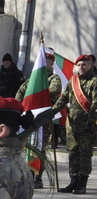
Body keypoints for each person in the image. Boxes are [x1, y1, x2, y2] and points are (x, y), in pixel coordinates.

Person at [52, 54, 97, 194]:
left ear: (91, 65)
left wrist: (91, 122)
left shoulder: (94, 82)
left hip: (87, 125)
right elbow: (63, 99)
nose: (81, 67)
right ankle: (73, 181)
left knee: (84, 153)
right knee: (72, 152)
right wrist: (51, 112)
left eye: (84, 65)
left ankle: (82, 183)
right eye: (79, 65)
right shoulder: (73, 80)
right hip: (71, 124)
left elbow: (95, 104)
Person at [16, 52, 61, 190]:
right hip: (28, 117)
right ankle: (27, 174)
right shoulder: (33, 79)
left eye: (47, 61)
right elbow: (20, 91)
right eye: (42, 60)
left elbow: (55, 90)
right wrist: (18, 107)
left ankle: (38, 177)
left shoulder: (53, 78)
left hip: (43, 118)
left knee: (39, 147)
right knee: (27, 146)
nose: (44, 63)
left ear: (51, 63)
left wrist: (38, 92)